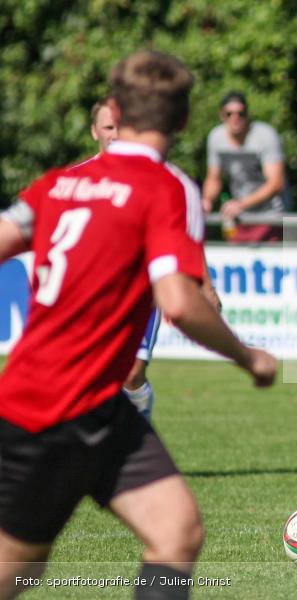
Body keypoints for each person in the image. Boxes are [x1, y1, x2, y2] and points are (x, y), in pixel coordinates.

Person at [0, 51, 277, 599]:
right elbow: (178, 301)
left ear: (117, 111)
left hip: (95, 402)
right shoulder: (167, 187)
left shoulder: (58, 185)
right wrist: (250, 356)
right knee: (16, 571)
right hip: (53, 411)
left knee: (177, 532)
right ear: (181, 121)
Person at [85, 97, 221, 420]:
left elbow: (184, 232)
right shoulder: (78, 180)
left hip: (142, 291)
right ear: (94, 132)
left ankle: (139, 422)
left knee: (131, 373)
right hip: (92, 294)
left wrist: (206, 285)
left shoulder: (159, 179)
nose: (115, 134)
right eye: (108, 127)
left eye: (121, 126)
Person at [202, 91, 287, 242]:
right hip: (238, 219)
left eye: (240, 113)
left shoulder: (264, 136)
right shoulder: (216, 137)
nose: (235, 118)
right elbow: (214, 178)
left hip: (269, 217)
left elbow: (275, 183)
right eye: (229, 114)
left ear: (248, 115)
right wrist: (206, 201)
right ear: (222, 115)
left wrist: (241, 204)